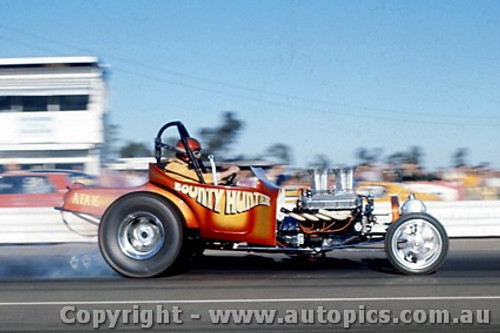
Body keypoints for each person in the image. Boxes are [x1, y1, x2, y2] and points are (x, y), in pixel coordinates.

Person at [164, 137, 240, 184]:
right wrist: (228, 172)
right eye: (196, 153)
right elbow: (202, 179)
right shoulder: (174, 167)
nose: (198, 156)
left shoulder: (184, 168)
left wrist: (224, 181)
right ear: (186, 154)